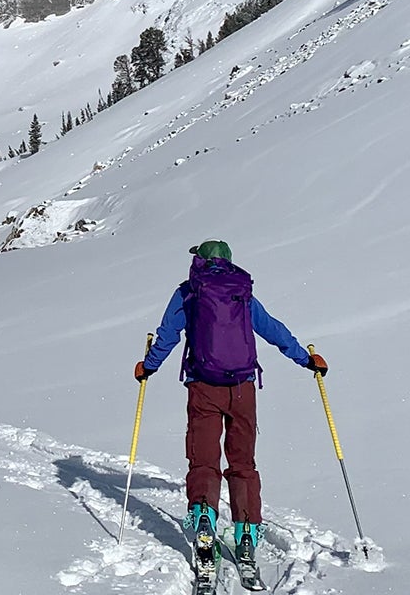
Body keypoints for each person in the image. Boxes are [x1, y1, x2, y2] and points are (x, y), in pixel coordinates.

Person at [134, 239, 326, 572]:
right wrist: (306, 360)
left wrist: (148, 366)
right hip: (242, 388)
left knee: (204, 459)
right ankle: (248, 530)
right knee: (242, 462)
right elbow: (273, 330)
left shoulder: (189, 291)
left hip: (203, 385)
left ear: (200, 261)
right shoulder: (241, 291)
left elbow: (167, 334)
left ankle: (205, 517)